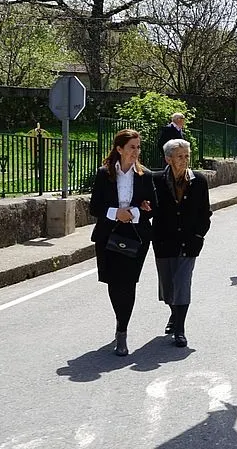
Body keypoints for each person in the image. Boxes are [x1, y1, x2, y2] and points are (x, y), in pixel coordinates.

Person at [89, 129, 157, 356]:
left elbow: (153, 208)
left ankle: (122, 331)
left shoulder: (145, 175)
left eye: (138, 147)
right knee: (113, 281)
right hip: (108, 234)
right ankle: (121, 319)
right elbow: (94, 207)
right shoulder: (104, 174)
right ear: (119, 149)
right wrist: (115, 213)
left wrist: (135, 212)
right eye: (131, 147)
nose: (136, 152)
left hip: (135, 236)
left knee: (128, 283)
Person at [151, 138, 211, 347]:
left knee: (182, 283)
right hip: (163, 241)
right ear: (168, 159)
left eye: (187, 156)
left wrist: (199, 236)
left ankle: (180, 328)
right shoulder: (156, 180)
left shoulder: (199, 180)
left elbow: (205, 213)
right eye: (179, 156)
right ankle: (174, 314)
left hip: (189, 241)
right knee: (168, 287)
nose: (184, 160)